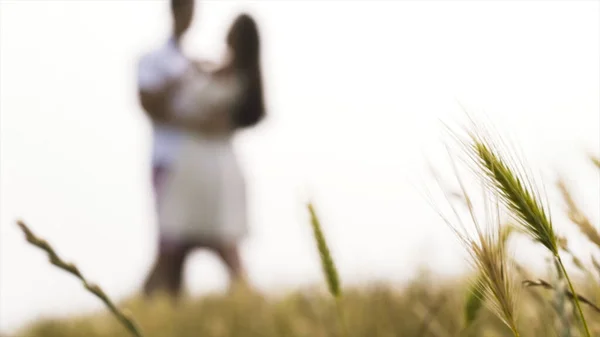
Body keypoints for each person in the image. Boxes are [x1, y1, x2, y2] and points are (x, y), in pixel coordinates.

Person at [142, 13, 266, 299]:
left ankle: (148, 306)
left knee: (179, 250)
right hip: (206, 167)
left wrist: (178, 116)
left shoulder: (232, 80)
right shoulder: (230, 76)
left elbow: (209, 123)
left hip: (202, 171)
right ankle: (157, 307)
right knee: (187, 251)